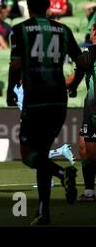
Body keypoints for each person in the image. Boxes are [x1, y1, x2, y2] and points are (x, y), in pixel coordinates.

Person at [6, 0, 84, 225]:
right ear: (49, 4)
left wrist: (10, 90)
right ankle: (43, 212)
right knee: (42, 153)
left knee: (29, 155)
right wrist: (73, 85)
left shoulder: (19, 30)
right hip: (59, 100)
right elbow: (81, 63)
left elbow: (16, 66)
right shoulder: (63, 30)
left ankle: (62, 173)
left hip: (36, 99)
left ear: (27, 6)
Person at [67, 22, 96, 202]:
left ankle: (90, 193)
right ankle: (89, 192)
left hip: (95, 109)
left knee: (91, 153)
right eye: (94, 30)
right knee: (83, 146)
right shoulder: (90, 53)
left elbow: (73, 78)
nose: (94, 34)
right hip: (90, 107)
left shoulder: (90, 52)